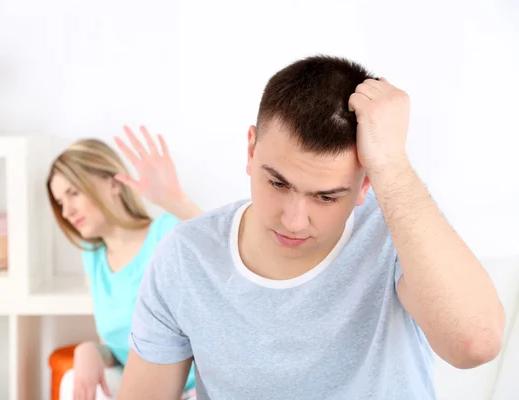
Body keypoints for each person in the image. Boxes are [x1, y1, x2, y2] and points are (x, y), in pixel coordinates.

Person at [116, 56, 506, 400]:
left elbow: (476, 342)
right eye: (278, 183)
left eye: (326, 197)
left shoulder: (395, 234)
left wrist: (391, 162)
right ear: (251, 150)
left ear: (364, 184)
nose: (294, 220)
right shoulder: (185, 257)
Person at [46, 126, 201, 400]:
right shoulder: (93, 258)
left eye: (73, 193)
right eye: (60, 202)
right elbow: (121, 348)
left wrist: (176, 201)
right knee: (73, 381)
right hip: (138, 388)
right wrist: (91, 350)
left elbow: (224, 252)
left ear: (113, 183)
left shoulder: (167, 233)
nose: (66, 211)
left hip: (190, 389)